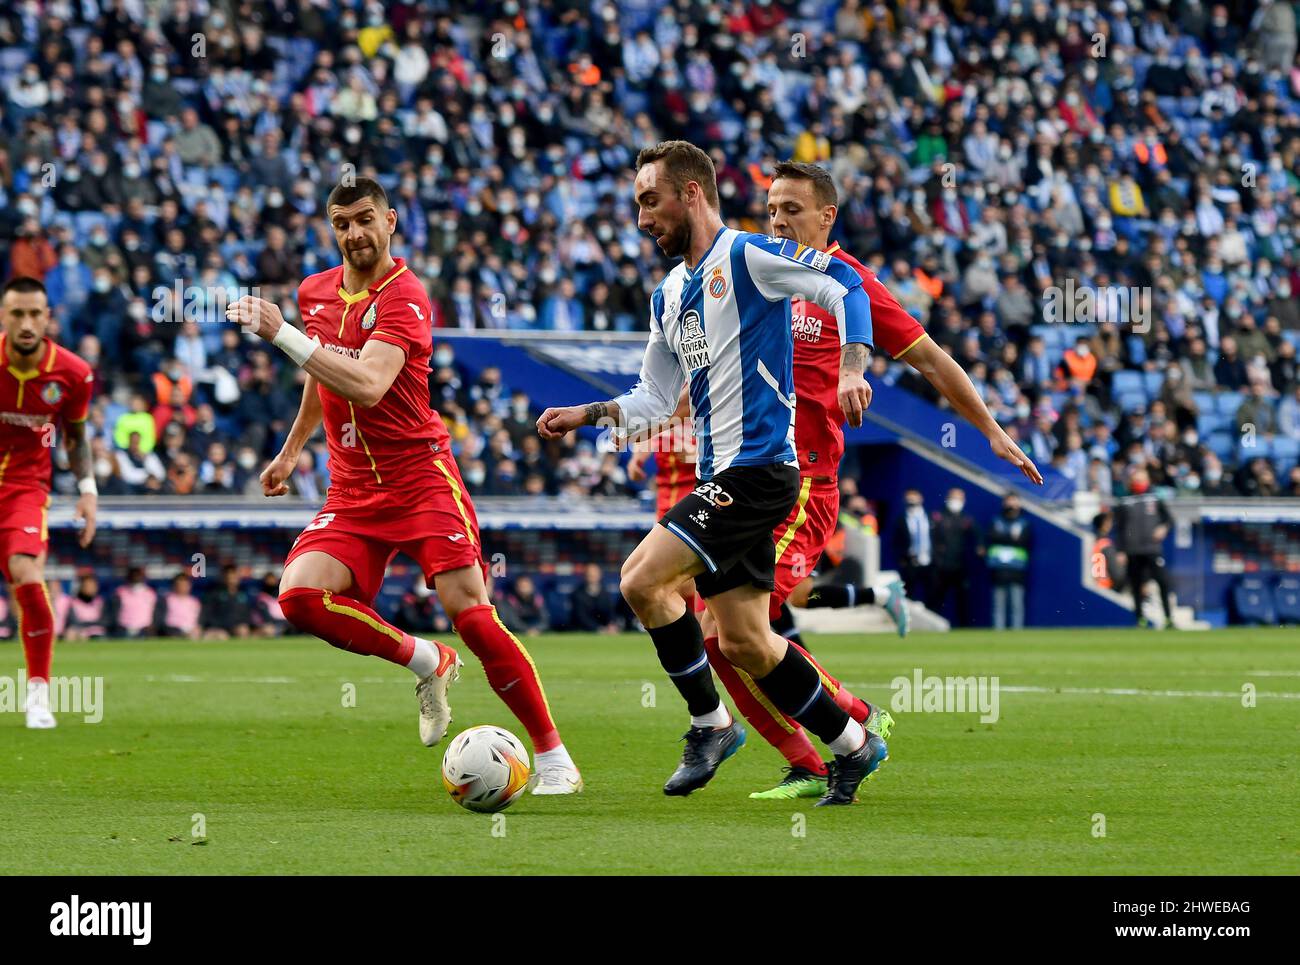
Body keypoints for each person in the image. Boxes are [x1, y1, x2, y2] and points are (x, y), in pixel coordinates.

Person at [537, 140, 882, 806]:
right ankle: (852, 746)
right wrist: (588, 412)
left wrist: (852, 366)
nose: (642, 218)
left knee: (641, 579)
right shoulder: (667, 296)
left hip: (759, 469)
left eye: (649, 200)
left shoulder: (751, 257)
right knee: (750, 642)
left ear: (690, 193)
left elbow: (845, 285)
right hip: (723, 475)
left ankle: (711, 724)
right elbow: (655, 400)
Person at [226, 176, 580, 793]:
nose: (355, 233)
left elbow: (366, 384)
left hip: (421, 479)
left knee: (471, 615)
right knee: (300, 597)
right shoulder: (316, 291)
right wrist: (290, 453)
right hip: (354, 488)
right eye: (342, 223)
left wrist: (281, 334)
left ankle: (554, 759)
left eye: (366, 218)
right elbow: (323, 375)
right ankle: (425, 660)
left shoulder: (406, 296)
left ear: (391, 221)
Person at [0, 276, 97, 728]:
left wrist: (88, 491)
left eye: (34, 313)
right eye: (17, 313)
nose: (26, 322)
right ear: (4, 317)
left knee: (26, 573)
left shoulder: (74, 373)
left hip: (24, 488)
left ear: (47, 318)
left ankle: (37, 693)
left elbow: (75, 438)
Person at [1113, 467, 1175, 628]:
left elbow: (1168, 519)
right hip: (1132, 550)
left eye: (1142, 479)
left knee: (1163, 581)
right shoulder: (1124, 500)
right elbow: (1118, 527)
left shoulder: (1154, 498)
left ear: (1147, 480)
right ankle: (1140, 619)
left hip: (1152, 548)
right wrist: (1120, 550)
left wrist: (1163, 528)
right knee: (1136, 584)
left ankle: (1168, 618)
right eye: (1136, 479)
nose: (1139, 482)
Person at [929, 487, 982, 627]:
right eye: (954, 497)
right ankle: (932, 626)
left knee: (963, 601)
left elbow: (979, 536)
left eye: (959, 498)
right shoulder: (938, 516)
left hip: (960, 566)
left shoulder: (966, 519)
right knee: (936, 599)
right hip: (940, 566)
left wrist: (981, 548)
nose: (956, 501)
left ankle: (964, 627)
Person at [987, 493, 1031, 629]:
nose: (1011, 506)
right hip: (999, 568)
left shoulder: (1024, 523)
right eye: (1009, 502)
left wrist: (1004, 537)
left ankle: (1016, 634)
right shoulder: (996, 521)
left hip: (1017, 569)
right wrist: (1011, 538)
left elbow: (1024, 541)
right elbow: (992, 537)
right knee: (998, 605)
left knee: (1016, 604)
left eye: (1014, 502)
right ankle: (998, 633)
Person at [894, 488, 933, 603]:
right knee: (908, 593)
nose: (912, 501)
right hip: (910, 562)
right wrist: (902, 559)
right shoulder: (901, 519)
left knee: (931, 595)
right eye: (909, 498)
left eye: (914, 497)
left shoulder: (930, 517)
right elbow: (896, 542)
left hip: (929, 561)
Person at [200, 564, 252, 639]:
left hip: (237, 627)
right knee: (218, 636)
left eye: (234, 577)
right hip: (219, 628)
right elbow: (207, 612)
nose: (232, 580)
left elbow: (247, 615)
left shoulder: (243, 595)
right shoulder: (214, 594)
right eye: (229, 577)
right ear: (224, 578)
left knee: (243, 630)